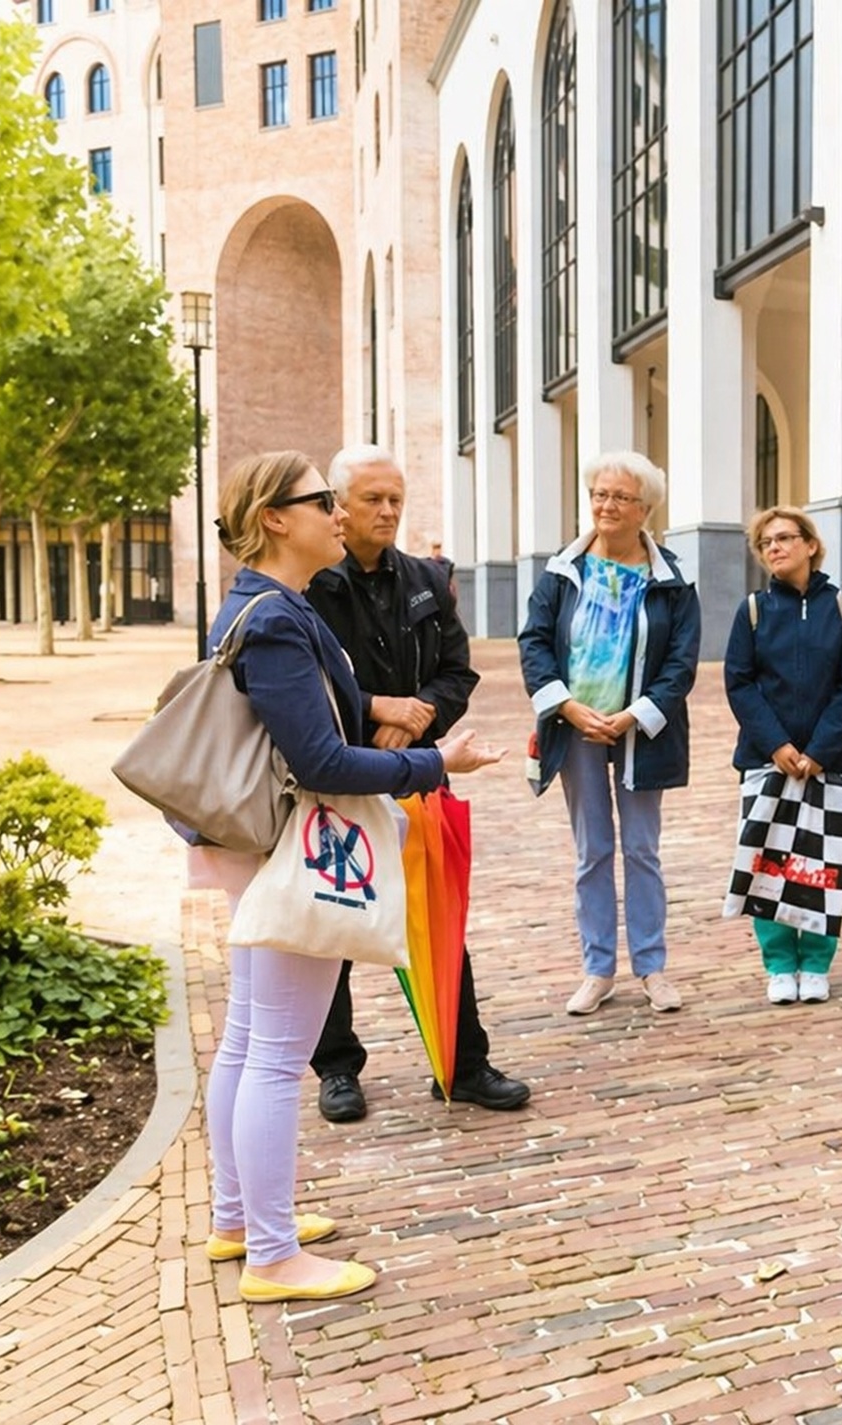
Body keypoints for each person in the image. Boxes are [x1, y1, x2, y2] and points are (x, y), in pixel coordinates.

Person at [193, 450, 501, 1303]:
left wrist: (382, 706)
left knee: (250, 1037)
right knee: (275, 1050)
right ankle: (272, 1252)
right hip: (297, 844)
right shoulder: (281, 617)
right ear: (275, 519)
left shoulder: (260, 606)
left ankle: (236, 1218)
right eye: (321, 500)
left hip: (261, 843)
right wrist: (439, 760)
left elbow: (310, 705)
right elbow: (320, 757)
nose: (338, 512)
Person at [303, 445, 529, 1122]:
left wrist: (420, 712)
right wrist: (376, 708)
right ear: (338, 506)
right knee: (334, 924)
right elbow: (302, 685)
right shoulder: (314, 585)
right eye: (373, 499)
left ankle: (460, 1063)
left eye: (396, 498)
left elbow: (459, 672)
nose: (388, 510)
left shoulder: (425, 578)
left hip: (422, 774)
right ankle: (336, 1067)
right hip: (342, 778)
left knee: (439, 918)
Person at [518, 451, 700, 1016]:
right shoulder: (562, 571)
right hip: (576, 729)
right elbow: (535, 643)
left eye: (620, 497)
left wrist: (637, 713)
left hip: (640, 731)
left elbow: (681, 663)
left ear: (645, 508)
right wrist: (566, 708)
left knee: (641, 850)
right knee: (592, 851)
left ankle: (651, 966)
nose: (606, 505)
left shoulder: (671, 579)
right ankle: (598, 969)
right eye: (599, 494)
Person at [723, 506, 842, 1004]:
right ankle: (780, 963)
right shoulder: (753, 611)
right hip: (767, 762)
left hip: (831, 764)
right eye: (766, 543)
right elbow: (740, 684)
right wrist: (779, 745)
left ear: (811, 544)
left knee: (823, 866)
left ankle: (817, 963)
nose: (775, 548)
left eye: (785, 538)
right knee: (770, 864)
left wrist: (819, 750)